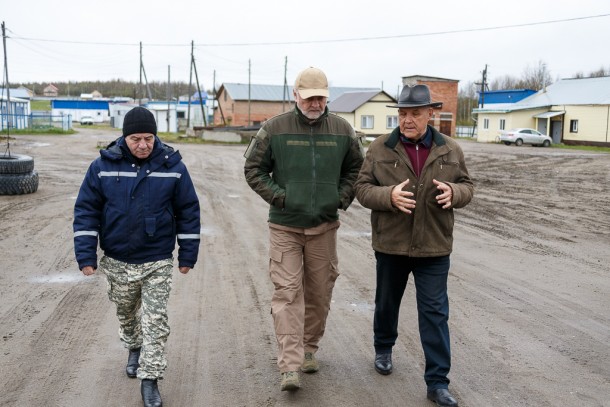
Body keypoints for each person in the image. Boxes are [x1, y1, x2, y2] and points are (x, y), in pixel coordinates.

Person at [244, 66, 364, 391]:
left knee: (320, 292)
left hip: (324, 227)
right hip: (285, 226)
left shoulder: (342, 130)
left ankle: (310, 348)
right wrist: (281, 198)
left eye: (321, 98)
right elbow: (253, 169)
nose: (315, 104)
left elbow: (356, 167)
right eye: (309, 97)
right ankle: (290, 365)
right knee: (287, 293)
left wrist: (340, 198)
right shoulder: (274, 129)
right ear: (295, 95)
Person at [73, 107, 201, 407]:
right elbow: (86, 211)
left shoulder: (173, 167)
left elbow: (188, 212)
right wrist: (86, 255)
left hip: (157, 258)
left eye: (148, 138)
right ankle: (133, 346)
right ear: (124, 136)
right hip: (117, 258)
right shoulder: (102, 166)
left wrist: (187, 254)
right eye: (135, 139)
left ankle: (150, 379)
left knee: (155, 320)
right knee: (126, 313)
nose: (143, 145)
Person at [355, 84, 473, 407]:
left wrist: (454, 192)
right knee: (387, 302)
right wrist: (388, 196)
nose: (407, 120)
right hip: (391, 244)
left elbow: (467, 187)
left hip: (434, 247)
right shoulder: (380, 148)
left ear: (429, 114)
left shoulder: (450, 150)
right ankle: (383, 348)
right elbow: (362, 189)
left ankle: (437, 382)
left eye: (415, 113)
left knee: (435, 313)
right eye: (403, 113)